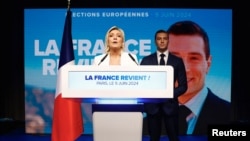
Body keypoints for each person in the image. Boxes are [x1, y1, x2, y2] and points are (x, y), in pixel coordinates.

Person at [167, 20, 231, 135]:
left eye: (194, 58)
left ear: (208, 64)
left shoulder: (231, 116)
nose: (184, 68)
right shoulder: (144, 120)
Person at [140, 30, 187, 141]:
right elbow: (141, 85)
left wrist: (168, 94)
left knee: (174, 138)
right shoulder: (146, 61)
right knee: (154, 138)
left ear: (168, 41)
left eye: (164, 38)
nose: (162, 41)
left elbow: (183, 86)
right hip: (152, 107)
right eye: (159, 39)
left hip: (170, 106)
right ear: (155, 41)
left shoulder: (177, 61)